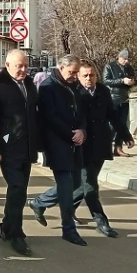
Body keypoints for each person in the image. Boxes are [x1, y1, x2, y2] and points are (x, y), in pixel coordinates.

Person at [32, 60, 130, 237]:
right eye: (84, 75)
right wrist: (75, 133)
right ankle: (101, 222)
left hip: (99, 145)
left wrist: (125, 134)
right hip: (80, 144)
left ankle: (42, 203)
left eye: (92, 75)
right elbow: (61, 116)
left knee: (79, 186)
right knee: (89, 186)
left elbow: (113, 115)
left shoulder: (102, 91)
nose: (88, 78)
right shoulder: (74, 91)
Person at [0, 50, 40, 256]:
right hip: (7, 147)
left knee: (20, 191)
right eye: (18, 66)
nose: (23, 70)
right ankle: (16, 234)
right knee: (17, 187)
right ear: (7, 65)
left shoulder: (30, 85)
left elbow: (34, 115)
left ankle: (7, 226)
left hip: (27, 147)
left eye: (25, 65)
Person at [28, 55, 88, 246]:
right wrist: (71, 133)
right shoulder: (47, 87)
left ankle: (39, 203)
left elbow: (81, 112)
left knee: (77, 182)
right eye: (71, 72)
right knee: (66, 184)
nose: (74, 76)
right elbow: (49, 117)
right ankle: (68, 229)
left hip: (75, 141)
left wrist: (82, 130)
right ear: (61, 68)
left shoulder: (74, 85)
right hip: (56, 142)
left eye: (76, 72)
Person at [104, 49, 137, 156]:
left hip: (124, 99)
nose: (126, 61)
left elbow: (135, 80)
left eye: (128, 59)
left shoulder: (129, 68)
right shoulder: (109, 66)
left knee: (122, 125)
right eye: (125, 59)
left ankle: (118, 148)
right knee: (113, 125)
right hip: (112, 98)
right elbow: (106, 80)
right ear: (119, 57)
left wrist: (132, 82)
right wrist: (122, 80)